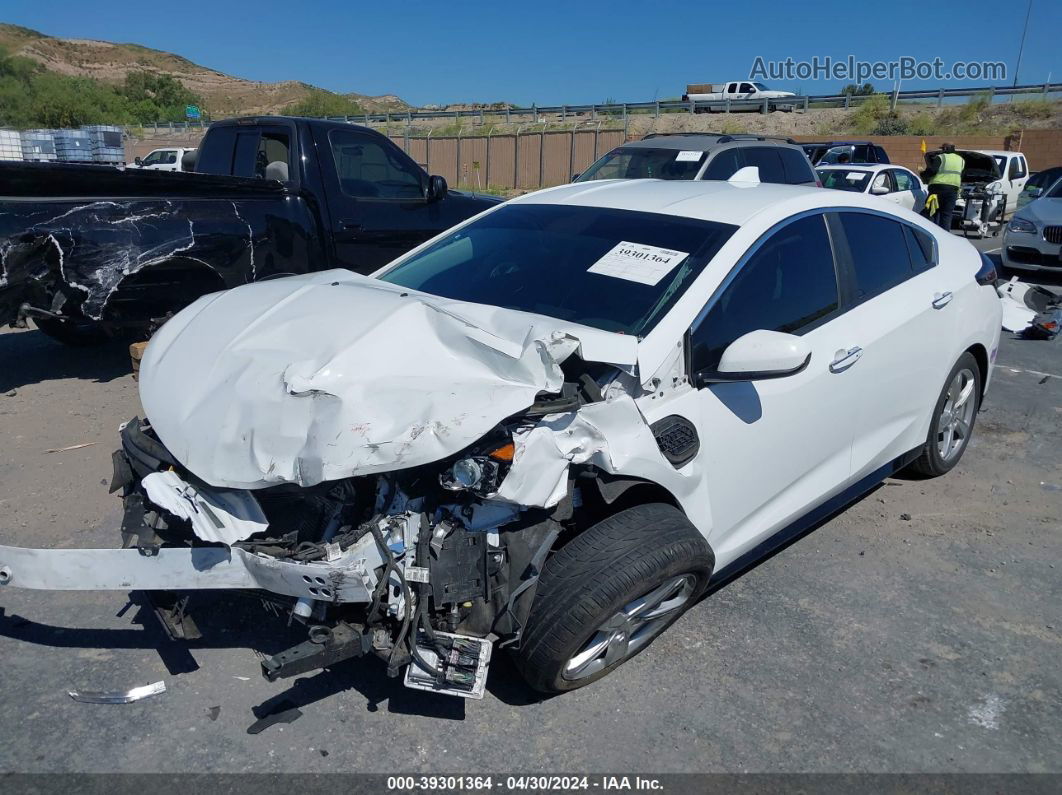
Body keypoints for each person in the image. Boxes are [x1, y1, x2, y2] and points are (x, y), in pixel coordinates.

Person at [923, 143, 964, 230]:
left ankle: (930, 232)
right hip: (953, 190)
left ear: (945, 149)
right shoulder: (961, 160)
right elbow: (962, 174)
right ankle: (945, 236)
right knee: (946, 215)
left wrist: (923, 174)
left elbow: (932, 171)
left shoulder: (941, 157)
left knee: (931, 212)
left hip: (937, 189)